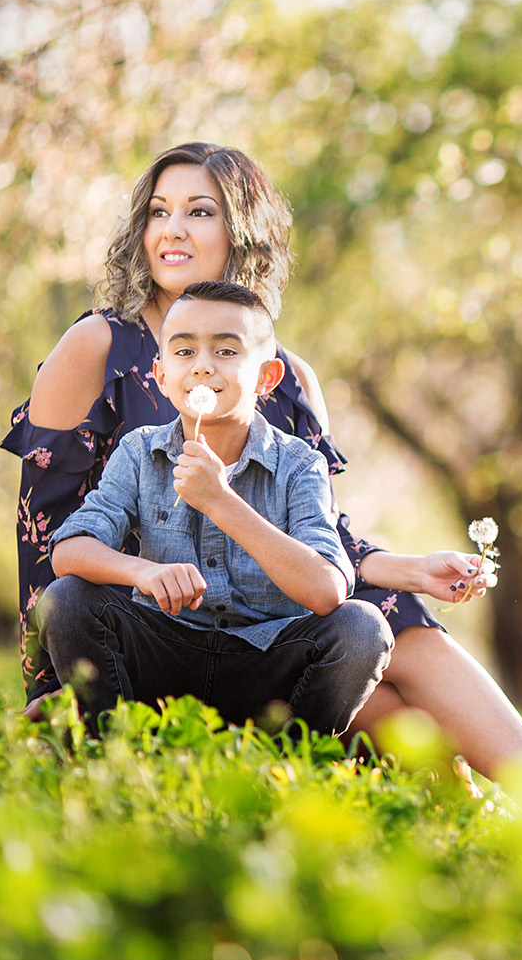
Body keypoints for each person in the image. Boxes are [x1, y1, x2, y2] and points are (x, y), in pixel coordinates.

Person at [4, 141, 522, 801]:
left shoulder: (288, 379)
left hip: (263, 638)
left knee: (393, 624)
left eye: (200, 211)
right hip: (142, 637)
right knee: (389, 703)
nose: (171, 229)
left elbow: (320, 542)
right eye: (159, 210)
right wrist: (52, 679)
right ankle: (490, 812)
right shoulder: (97, 347)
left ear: (243, 231)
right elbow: (45, 533)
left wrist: (407, 567)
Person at [41, 280, 390, 735]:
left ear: (267, 378)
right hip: (162, 658)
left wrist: (221, 502)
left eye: (226, 352)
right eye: (184, 353)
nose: (202, 367)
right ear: (162, 375)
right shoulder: (139, 451)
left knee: (363, 628)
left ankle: (284, 768)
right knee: (67, 599)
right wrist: (142, 572)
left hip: (267, 666)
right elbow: (68, 550)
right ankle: (115, 754)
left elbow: (328, 590)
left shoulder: (301, 464)